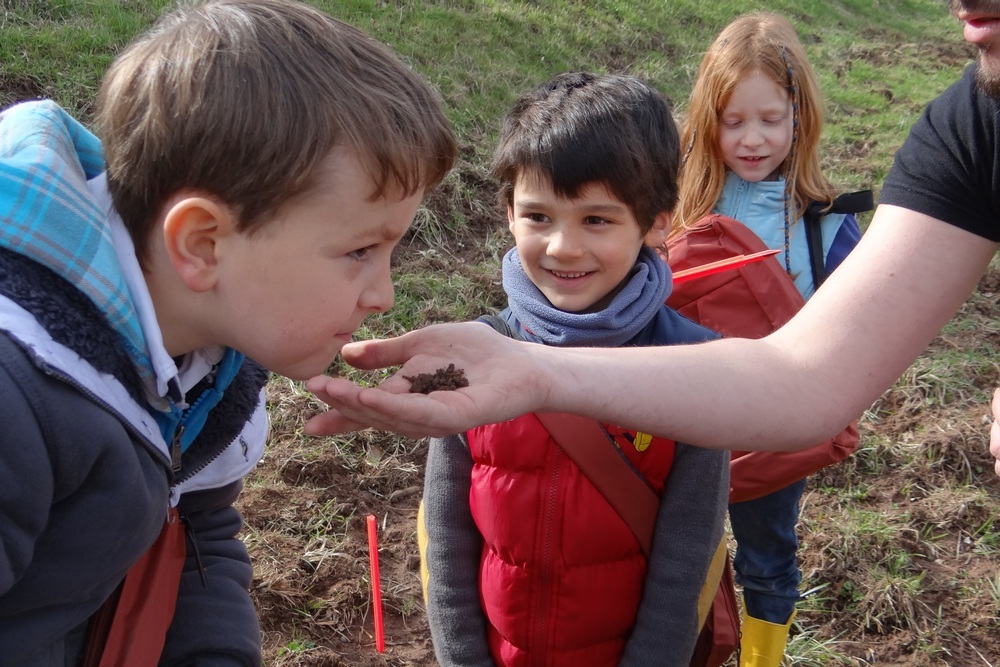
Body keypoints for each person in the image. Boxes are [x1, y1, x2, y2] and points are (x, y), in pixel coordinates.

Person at [303, 0, 1000, 471]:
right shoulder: (973, 127)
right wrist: (535, 369)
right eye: (538, 215)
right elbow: (806, 379)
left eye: (598, 220)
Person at [0, 1, 456, 665]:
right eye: (361, 250)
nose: (383, 294)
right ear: (204, 244)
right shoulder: (17, 399)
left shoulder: (210, 363)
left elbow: (194, 532)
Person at [418, 72, 727, 667]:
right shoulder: (473, 356)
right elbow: (444, 538)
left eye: (597, 220)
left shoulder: (694, 371)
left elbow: (690, 560)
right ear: (508, 213)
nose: (562, 247)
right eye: (538, 216)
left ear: (657, 223)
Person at [671, 13, 865, 666]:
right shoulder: (675, 212)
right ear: (707, 121)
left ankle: (762, 657)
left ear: (799, 119)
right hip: (681, 422)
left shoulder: (827, 230)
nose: (753, 139)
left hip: (772, 434)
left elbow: (855, 332)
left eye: (771, 119)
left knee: (768, 555)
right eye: (733, 121)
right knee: (677, 551)